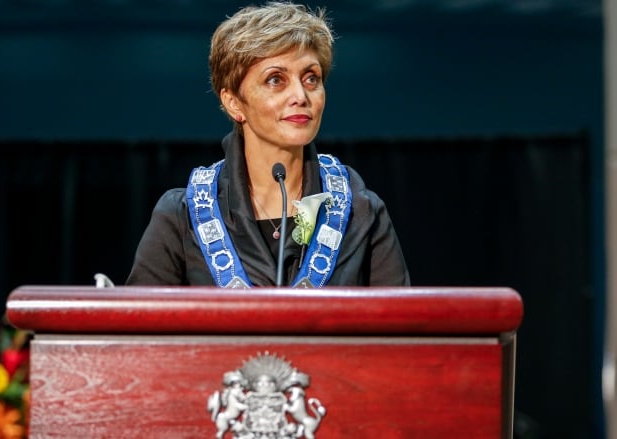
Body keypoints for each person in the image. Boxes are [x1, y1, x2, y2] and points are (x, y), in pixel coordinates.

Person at [126, 2, 409, 288]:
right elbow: (140, 328)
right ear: (233, 102)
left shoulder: (361, 211)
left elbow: (401, 327)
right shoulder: (181, 215)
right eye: (276, 80)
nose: (300, 95)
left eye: (311, 78)